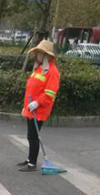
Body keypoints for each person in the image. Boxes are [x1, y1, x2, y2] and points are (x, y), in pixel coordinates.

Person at [18, 39, 60, 172]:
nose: (37, 56)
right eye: (37, 53)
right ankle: (30, 159)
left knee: (33, 136)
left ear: (47, 55)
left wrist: (37, 102)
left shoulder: (52, 72)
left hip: (39, 110)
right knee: (30, 136)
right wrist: (27, 105)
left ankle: (32, 164)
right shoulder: (39, 69)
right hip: (31, 108)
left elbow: (50, 93)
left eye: (40, 53)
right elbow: (31, 88)